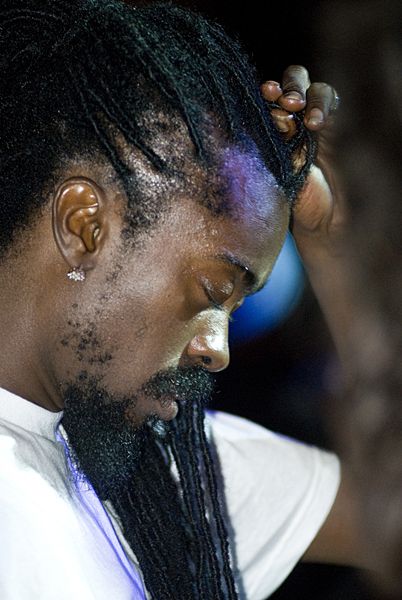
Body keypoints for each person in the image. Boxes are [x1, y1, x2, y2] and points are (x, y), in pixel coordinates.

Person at [0, 1, 365, 599]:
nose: (218, 351)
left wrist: (341, 241)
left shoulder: (164, 476)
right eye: (213, 292)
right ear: (83, 225)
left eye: (234, 309)